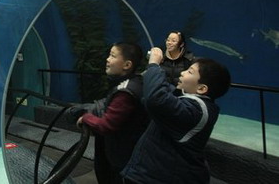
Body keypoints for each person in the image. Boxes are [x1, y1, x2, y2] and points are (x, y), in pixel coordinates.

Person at [121, 47, 231, 184]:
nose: (183, 73)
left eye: (190, 72)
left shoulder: (196, 111)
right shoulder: (192, 103)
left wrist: (154, 65)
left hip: (160, 178)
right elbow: (165, 92)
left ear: (202, 88)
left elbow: (156, 99)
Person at [69, 42, 149, 184]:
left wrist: (86, 118)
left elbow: (107, 125)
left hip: (123, 159)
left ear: (127, 65)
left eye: (112, 56)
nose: (107, 59)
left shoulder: (125, 92)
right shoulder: (134, 82)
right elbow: (109, 103)